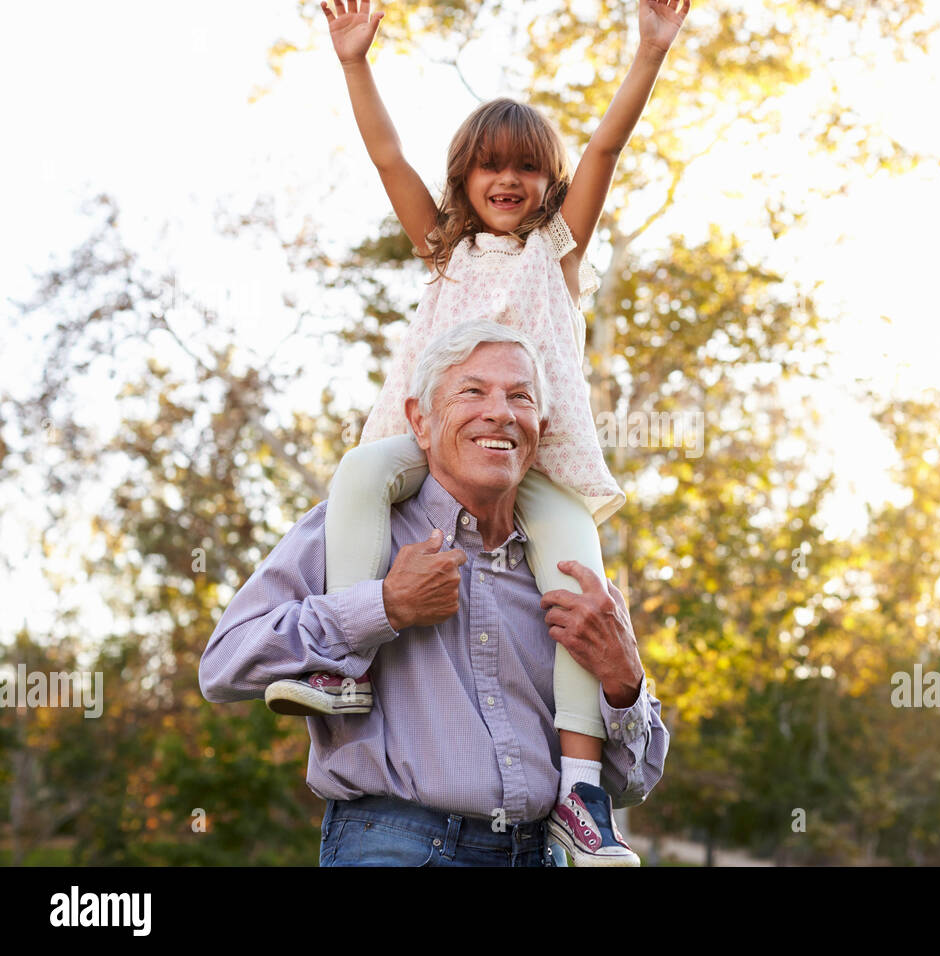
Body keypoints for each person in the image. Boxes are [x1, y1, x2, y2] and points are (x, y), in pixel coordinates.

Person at [260, 0, 689, 865]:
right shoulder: (443, 248)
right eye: (490, 167)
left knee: (579, 585)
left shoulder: (557, 251)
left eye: (527, 170)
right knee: (354, 479)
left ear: (547, 184)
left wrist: (648, 51)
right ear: (462, 179)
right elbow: (386, 155)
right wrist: (354, 63)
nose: (508, 182)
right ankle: (342, 668)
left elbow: (605, 146)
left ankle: (579, 792)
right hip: (431, 451)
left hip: (534, 458)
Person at [200, 321, 669, 867]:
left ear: (539, 427)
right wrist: (383, 606)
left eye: (519, 397)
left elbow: (635, 782)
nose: (500, 412)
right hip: (391, 844)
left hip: (539, 853)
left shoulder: (575, 576)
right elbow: (224, 666)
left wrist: (623, 679)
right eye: (472, 391)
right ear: (420, 422)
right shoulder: (353, 529)